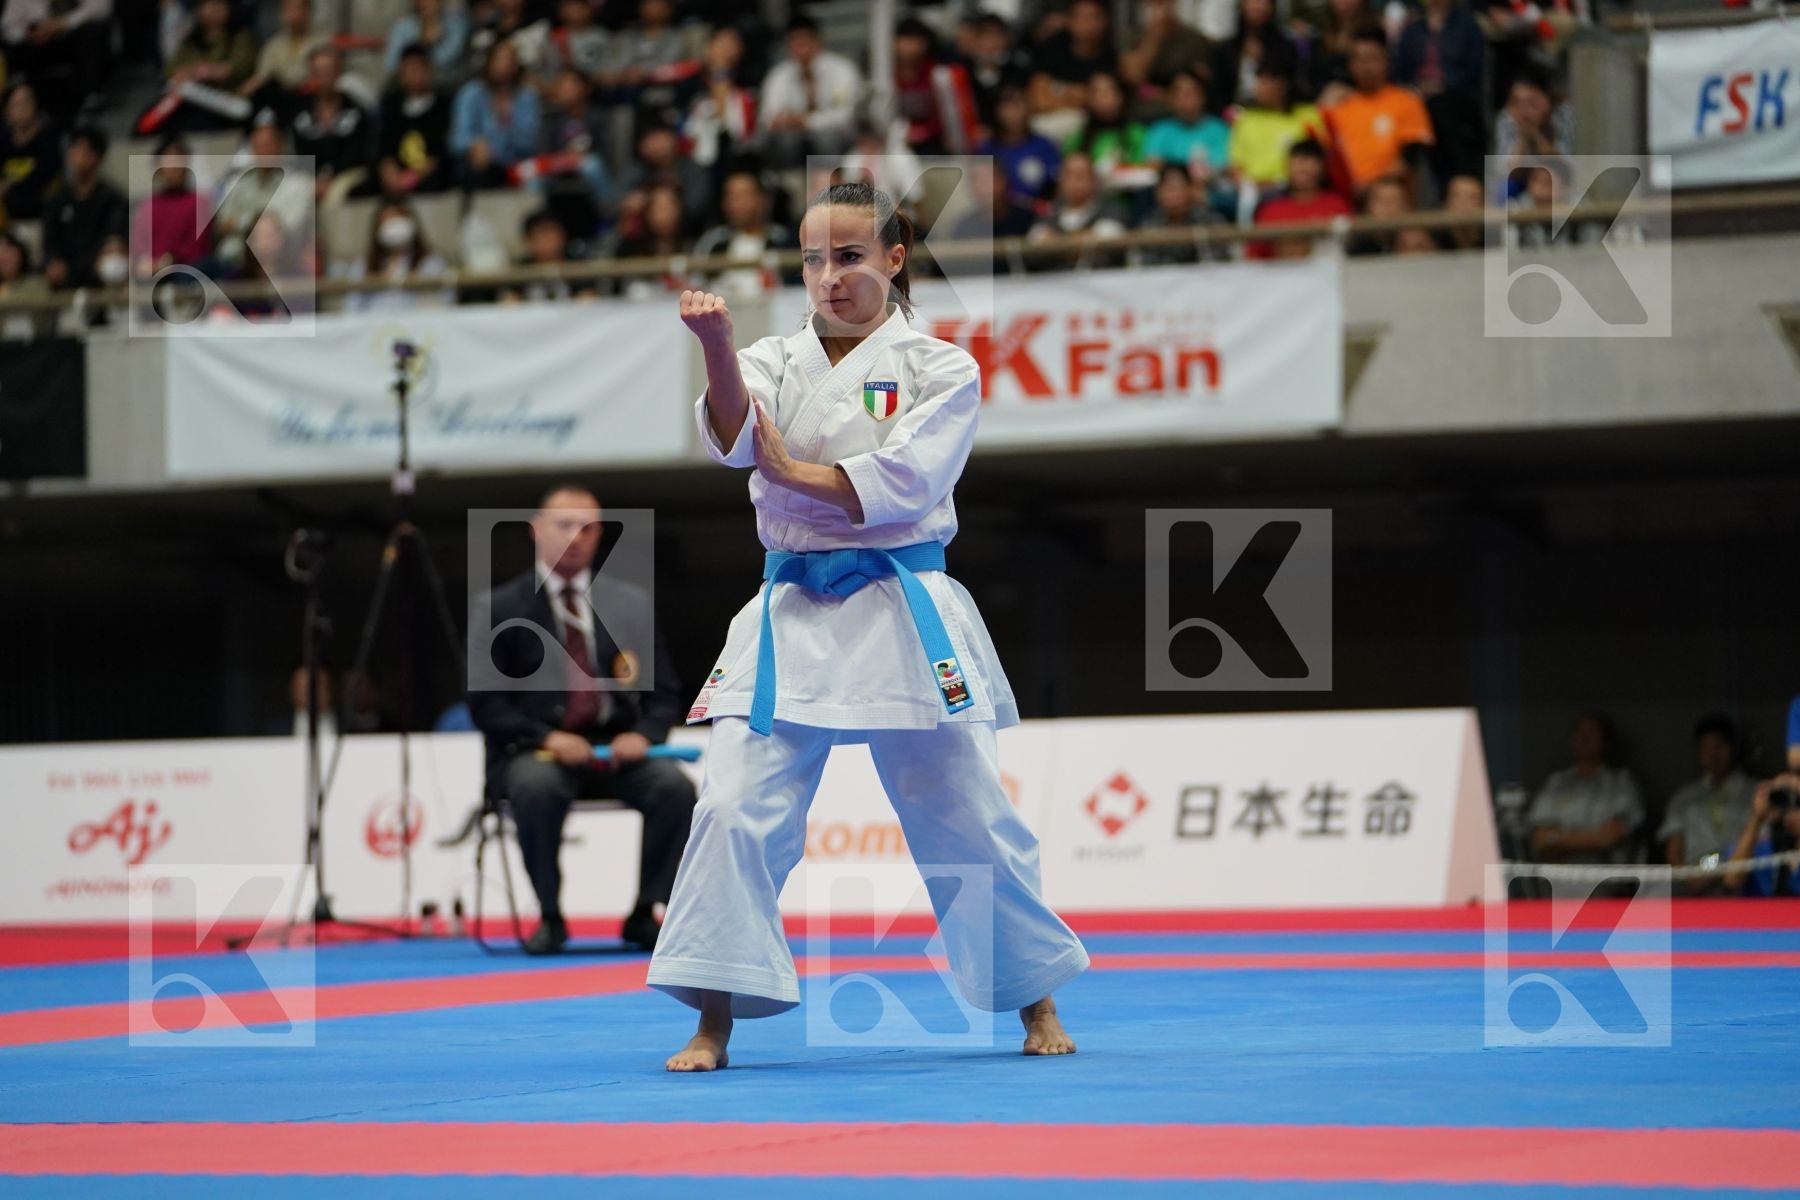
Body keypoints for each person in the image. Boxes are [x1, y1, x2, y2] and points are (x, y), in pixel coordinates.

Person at [649, 180, 1089, 1071]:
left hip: (904, 606)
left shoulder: (941, 367)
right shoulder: (771, 356)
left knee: (967, 813)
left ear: (892, 260)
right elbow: (736, 443)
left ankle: (1035, 1001)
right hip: (789, 609)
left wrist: (792, 469)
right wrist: (717, 351)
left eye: (849, 256)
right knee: (732, 804)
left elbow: (908, 482)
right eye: (813, 259)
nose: (829, 276)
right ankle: (714, 1020)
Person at [468, 484, 697, 954]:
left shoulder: (629, 604)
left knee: (674, 788)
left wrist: (643, 734)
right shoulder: (498, 609)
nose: (576, 536)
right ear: (535, 531)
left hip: (616, 748)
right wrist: (548, 736)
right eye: (563, 525)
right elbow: (486, 705)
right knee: (536, 787)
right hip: (536, 750)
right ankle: (549, 915)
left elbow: (665, 692)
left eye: (587, 527)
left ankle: (645, 911)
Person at [1324, 28, 1433, 198]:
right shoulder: (1339, 104)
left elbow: (1410, 158)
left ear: (1386, 60)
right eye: (1359, 59)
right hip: (1343, 195)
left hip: (1390, 193)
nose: (1366, 66)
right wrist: (1323, 107)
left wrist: (1370, 185)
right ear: (1350, 64)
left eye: (1372, 58)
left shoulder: (1406, 101)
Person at [1525, 714, 1645, 866]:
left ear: (1605, 741)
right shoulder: (1556, 782)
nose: (1584, 738)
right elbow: (1540, 840)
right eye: (1580, 732)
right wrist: (1591, 838)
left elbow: (1608, 839)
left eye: (1591, 733)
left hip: (1603, 878)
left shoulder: (1621, 783)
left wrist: (1556, 838)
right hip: (1558, 878)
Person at [1659, 715, 1756, 895]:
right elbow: (1674, 851)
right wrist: (1690, 881)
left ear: (1733, 748)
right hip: (1694, 886)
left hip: (1743, 881)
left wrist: (1726, 871)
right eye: (1706, 747)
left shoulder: (1756, 793)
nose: (1713, 754)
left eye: (1719, 746)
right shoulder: (1683, 798)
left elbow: (1764, 842)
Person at [757, 15, 863, 167]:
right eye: (794, 40)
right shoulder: (778, 76)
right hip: (793, 140)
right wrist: (783, 120)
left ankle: (830, 185)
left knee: (826, 137)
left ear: (817, 41)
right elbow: (767, 117)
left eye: (804, 40)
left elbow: (848, 115)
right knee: (784, 139)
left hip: (837, 138)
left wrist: (807, 122)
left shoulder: (843, 70)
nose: (800, 46)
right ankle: (791, 185)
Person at [43, 126, 127, 290]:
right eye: (74, 148)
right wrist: (53, 261)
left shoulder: (112, 198)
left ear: (97, 157)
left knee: (114, 265)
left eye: (84, 150)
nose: (77, 155)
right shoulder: (56, 199)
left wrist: (103, 254)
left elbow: (114, 235)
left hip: (97, 265)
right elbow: (50, 241)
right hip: (66, 266)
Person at [1247, 138, 1352, 259]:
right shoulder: (1270, 210)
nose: (1303, 168)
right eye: (1297, 162)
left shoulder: (1337, 205)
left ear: (1322, 168)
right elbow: (1254, 256)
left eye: (1310, 162)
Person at [376, 43, 453, 196]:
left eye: (419, 68)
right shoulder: (390, 104)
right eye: (409, 68)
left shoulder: (444, 105)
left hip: (431, 178)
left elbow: (441, 153)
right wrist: (389, 173)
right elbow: (381, 146)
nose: (415, 73)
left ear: (429, 70)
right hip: (395, 176)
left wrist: (410, 179)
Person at [0, 81, 62, 221]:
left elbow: (44, 174)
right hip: (9, 219)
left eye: (26, 101)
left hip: (44, 216)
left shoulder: (48, 137)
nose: (22, 108)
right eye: (16, 104)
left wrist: (10, 187)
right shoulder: (3, 141)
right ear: (7, 111)